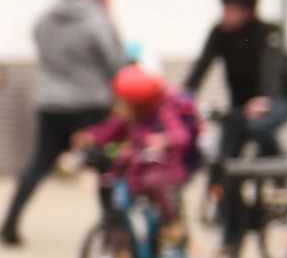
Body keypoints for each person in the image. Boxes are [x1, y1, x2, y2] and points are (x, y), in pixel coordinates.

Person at [0, 0, 126, 245]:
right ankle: (112, 232)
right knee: (105, 166)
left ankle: (9, 222)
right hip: (90, 103)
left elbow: (41, 47)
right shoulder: (97, 19)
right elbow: (115, 61)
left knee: (40, 162)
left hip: (51, 102)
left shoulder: (46, 16)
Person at [74, 65, 198, 232]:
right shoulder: (129, 118)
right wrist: (89, 136)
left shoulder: (162, 113)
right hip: (133, 169)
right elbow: (109, 130)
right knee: (110, 186)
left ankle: (172, 223)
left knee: (154, 183)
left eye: (126, 103)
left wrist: (164, 140)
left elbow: (180, 136)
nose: (121, 107)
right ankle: (119, 241)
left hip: (161, 167)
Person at [184, 0, 287, 154]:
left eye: (231, 10)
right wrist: (184, 96)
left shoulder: (268, 32)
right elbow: (202, 65)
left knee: (260, 127)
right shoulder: (220, 32)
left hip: (278, 96)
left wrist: (264, 97)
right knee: (227, 150)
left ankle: (276, 164)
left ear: (248, 11)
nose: (225, 15)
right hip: (242, 102)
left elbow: (272, 68)